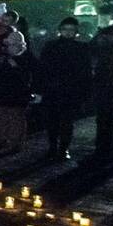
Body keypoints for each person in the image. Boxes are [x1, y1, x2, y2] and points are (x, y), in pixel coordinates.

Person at [38, 16, 92, 160]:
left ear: (76, 32)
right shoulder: (52, 46)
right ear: (60, 30)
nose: (68, 33)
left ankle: (61, 148)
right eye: (65, 30)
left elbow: (85, 72)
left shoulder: (80, 48)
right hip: (56, 89)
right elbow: (43, 68)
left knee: (65, 121)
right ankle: (56, 147)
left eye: (71, 30)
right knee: (54, 121)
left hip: (68, 90)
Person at [0, 28, 35, 153]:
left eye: (14, 45)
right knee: (3, 114)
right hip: (4, 91)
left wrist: (15, 66)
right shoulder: (4, 57)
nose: (11, 47)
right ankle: (3, 137)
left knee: (16, 117)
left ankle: (16, 141)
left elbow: (26, 76)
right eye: (10, 45)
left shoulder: (26, 57)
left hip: (18, 92)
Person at [91, 20, 113, 158]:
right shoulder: (104, 34)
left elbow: (92, 54)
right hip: (107, 79)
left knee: (104, 117)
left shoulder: (103, 34)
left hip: (105, 80)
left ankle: (104, 148)